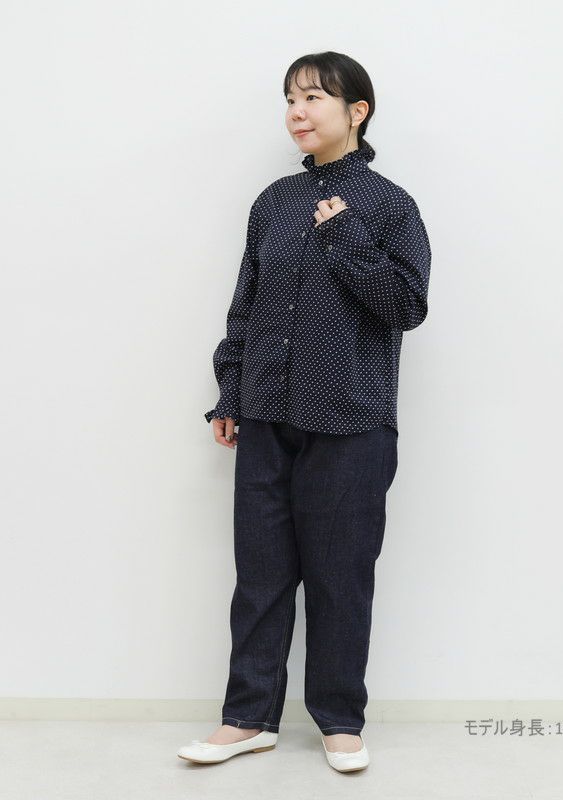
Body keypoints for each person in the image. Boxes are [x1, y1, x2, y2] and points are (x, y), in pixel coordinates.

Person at [178, 51, 432, 773]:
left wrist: (345, 240)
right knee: (260, 576)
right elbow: (248, 305)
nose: (297, 111)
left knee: (339, 578)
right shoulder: (274, 202)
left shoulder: (389, 205)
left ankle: (340, 721)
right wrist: (231, 392)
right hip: (266, 413)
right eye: (291, 98)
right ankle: (248, 718)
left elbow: (407, 306)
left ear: (357, 111)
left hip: (351, 420)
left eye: (315, 97)